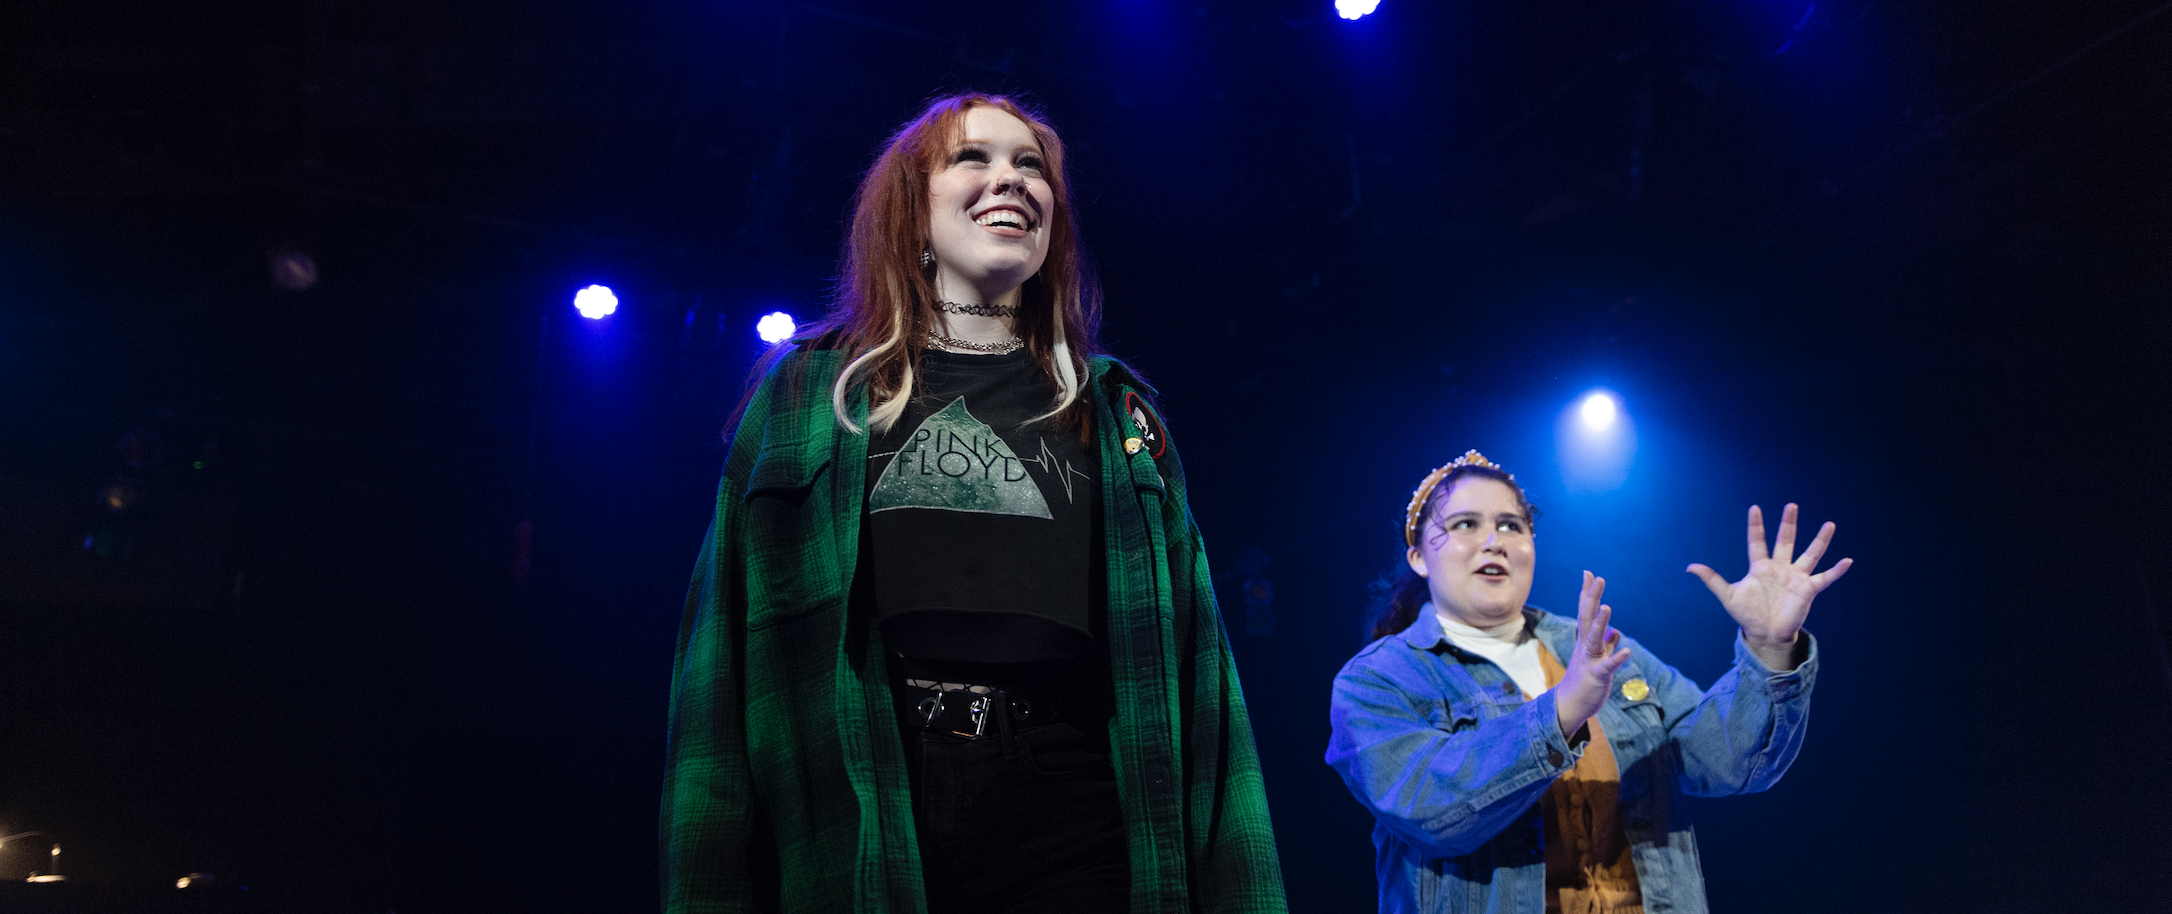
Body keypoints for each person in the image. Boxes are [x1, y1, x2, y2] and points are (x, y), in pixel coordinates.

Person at [660, 92, 1287, 914]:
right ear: (911, 212)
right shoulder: (813, 395)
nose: (1012, 180)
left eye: (1031, 166)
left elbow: (1201, 678)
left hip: (1068, 802)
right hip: (867, 791)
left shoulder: (1113, 410)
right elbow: (721, 670)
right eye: (974, 159)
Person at [1325, 450, 1851, 913]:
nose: (1494, 541)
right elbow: (1430, 811)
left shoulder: (1596, 647)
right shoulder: (1377, 679)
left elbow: (1726, 762)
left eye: (1512, 525)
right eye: (1465, 524)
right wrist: (1563, 710)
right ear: (1418, 555)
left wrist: (1767, 648)